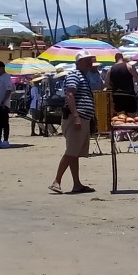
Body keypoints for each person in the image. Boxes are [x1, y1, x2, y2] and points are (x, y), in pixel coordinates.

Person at [48, 51, 96, 194]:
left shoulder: (83, 76)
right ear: (79, 62)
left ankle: (77, 184)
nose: (90, 63)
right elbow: (69, 94)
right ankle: (56, 181)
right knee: (71, 152)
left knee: (75, 153)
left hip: (82, 117)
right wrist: (76, 116)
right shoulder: (75, 75)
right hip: (77, 117)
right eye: (87, 60)